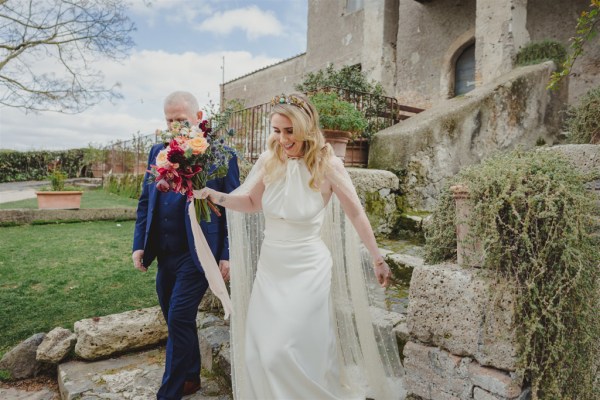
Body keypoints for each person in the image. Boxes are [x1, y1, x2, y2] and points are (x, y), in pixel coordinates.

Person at [195, 93, 404, 399]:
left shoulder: (328, 165)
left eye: (289, 131)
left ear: (307, 127)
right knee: (260, 352)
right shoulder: (270, 161)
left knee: (288, 350)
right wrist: (216, 196)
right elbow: (252, 202)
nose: (282, 138)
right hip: (272, 267)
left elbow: (356, 212)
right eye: (277, 130)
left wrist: (377, 258)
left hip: (308, 268)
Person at [132, 91, 240, 400]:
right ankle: (191, 375)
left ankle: (169, 392)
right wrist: (139, 244)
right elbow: (145, 204)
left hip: (199, 254)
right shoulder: (156, 152)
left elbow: (233, 208)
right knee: (173, 315)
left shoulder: (221, 155)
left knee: (179, 316)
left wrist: (227, 254)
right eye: (169, 120)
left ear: (198, 116)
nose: (175, 126)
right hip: (164, 253)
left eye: (181, 120)